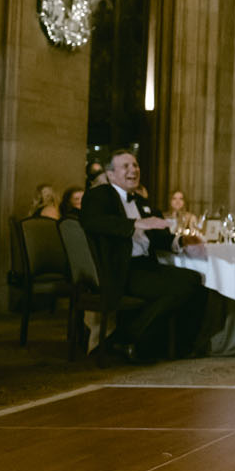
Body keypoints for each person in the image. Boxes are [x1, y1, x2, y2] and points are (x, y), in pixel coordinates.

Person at [79, 149, 206, 364]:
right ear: (111, 175)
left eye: (135, 165)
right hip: (121, 269)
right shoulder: (100, 196)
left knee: (195, 281)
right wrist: (134, 224)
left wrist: (181, 242)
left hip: (146, 265)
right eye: (126, 166)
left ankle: (159, 343)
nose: (133, 170)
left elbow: (158, 235)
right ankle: (127, 339)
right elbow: (94, 222)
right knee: (180, 288)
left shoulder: (141, 201)